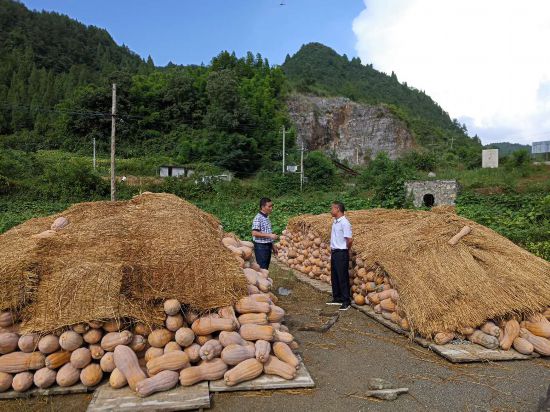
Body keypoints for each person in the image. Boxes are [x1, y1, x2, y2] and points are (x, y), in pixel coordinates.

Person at [327, 201, 353, 311]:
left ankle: (346, 301)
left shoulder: (344, 223)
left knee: (342, 277)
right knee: (335, 276)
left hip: (341, 252)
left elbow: (349, 239)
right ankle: (337, 297)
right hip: (335, 252)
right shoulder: (335, 222)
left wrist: (344, 249)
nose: (330, 210)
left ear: (337, 209)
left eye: (332, 208)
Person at [251, 198, 278, 269]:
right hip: (261, 247)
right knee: (262, 269)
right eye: (269, 206)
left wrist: (273, 245)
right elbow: (254, 233)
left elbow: (268, 232)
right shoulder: (258, 218)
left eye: (272, 206)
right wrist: (270, 235)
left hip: (267, 246)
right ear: (263, 207)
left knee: (265, 268)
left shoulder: (266, 217)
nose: (271, 208)